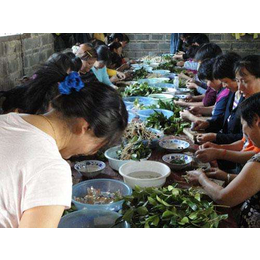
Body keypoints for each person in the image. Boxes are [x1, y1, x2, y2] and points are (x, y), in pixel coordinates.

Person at [0, 72, 128, 228]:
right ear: (84, 127)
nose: (90, 153)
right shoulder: (52, 168)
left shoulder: (7, 119)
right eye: (97, 145)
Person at [187, 92, 260, 227]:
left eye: (244, 126)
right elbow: (253, 182)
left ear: (257, 121)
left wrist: (201, 178)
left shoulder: (258, 163)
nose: (246, 135)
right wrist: (226, 176)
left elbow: (224, 198)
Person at [195, 55, 260, 168]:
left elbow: (255, 155)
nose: (239, 87)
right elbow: (244, 142)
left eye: (244, 81)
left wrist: (219, 152)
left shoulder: (254, 106)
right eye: (238, 81)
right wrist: (218, 148)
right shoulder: (247, 100)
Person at [193, 53, 243, 145]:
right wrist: (208, 124)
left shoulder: (247, 100)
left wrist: (215, 137)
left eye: (225, 82)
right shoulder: (233, 93)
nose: (224, 86)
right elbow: (223, 121)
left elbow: (244, 138)